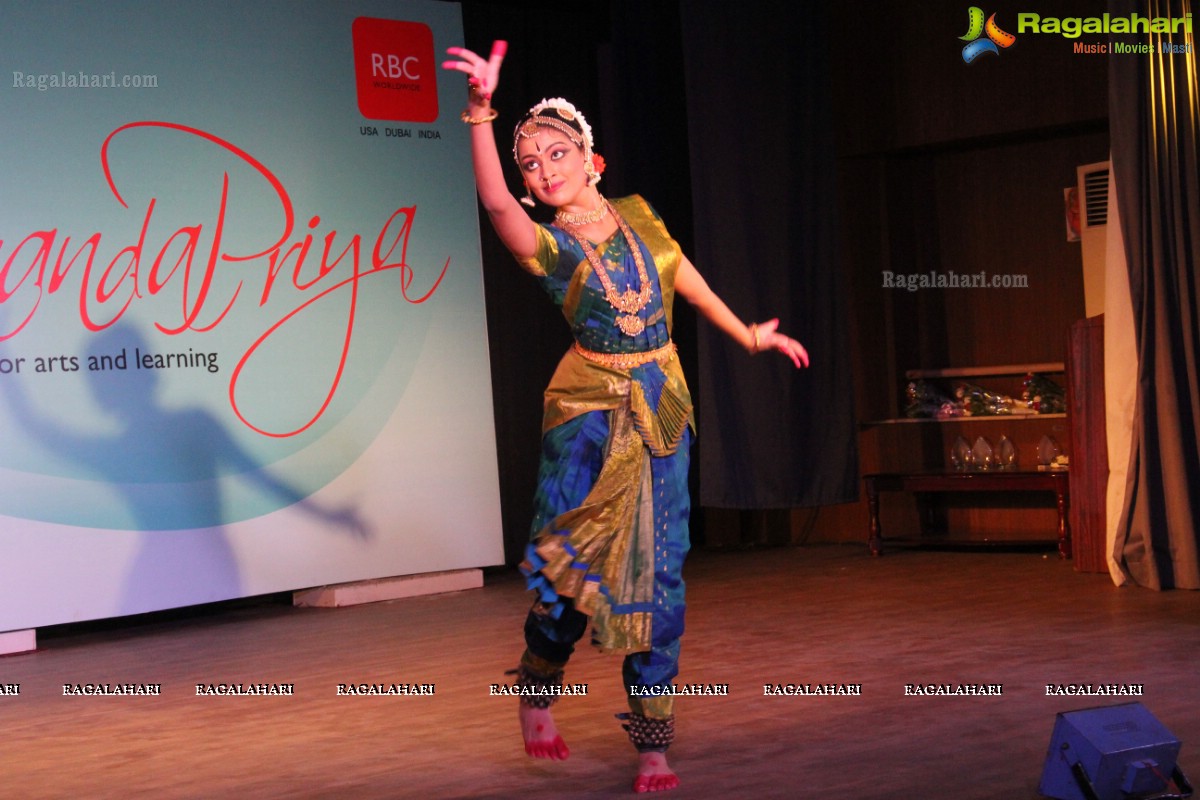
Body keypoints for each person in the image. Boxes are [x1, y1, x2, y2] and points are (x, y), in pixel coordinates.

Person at [443, 41, 809, 794]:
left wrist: (746, 334)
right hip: (587, 418)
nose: (542, 170)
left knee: (661, 573)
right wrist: (481, 115)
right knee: (571, 579)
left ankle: (652, 746)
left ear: (593, 161)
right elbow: (495, 205)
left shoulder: (639, 216)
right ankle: (538, 687)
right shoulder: (548, 248)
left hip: (661, 408)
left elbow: (684, 274)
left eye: (555, 153)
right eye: (530, 163)